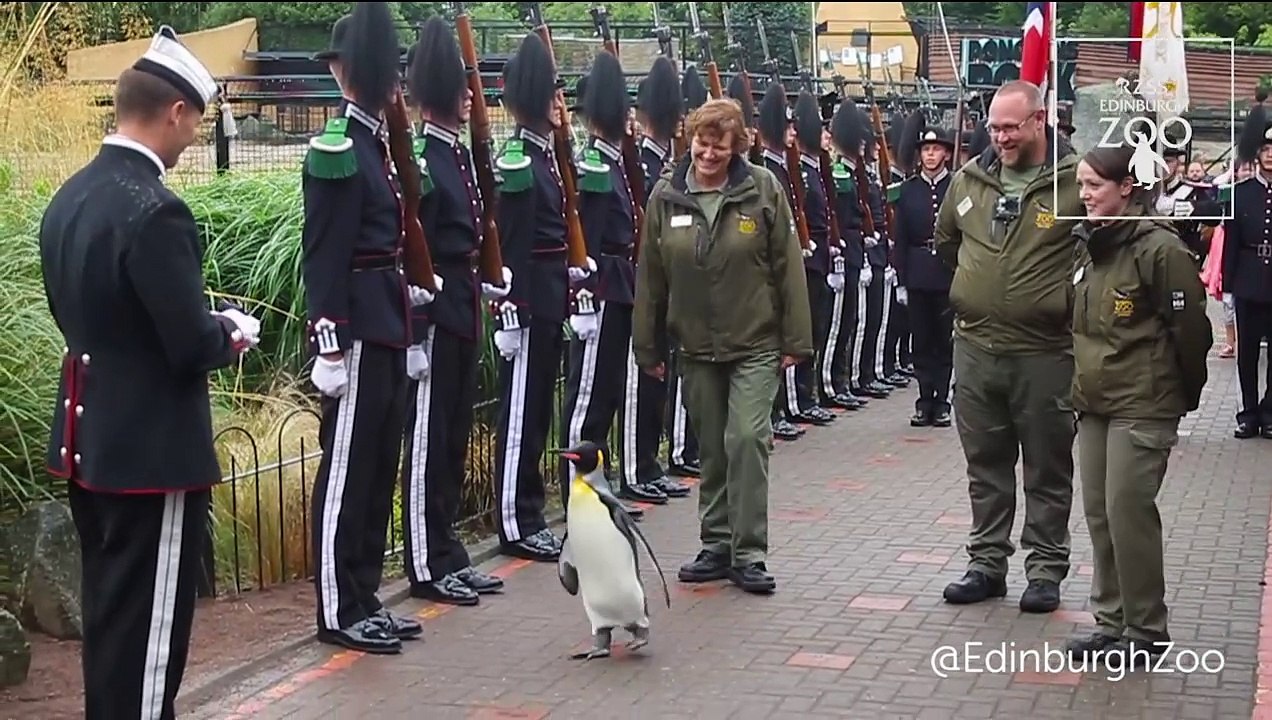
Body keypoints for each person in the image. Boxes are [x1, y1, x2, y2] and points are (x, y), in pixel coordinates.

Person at [39, 26, 260, 719]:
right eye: (196, 121)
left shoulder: (70, 196)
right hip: (150, 454)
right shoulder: (156, 209)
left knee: (112, 618)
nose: (194, 136)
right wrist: (232, 331)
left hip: (89, 440)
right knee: (152, 635)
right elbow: (187, 342)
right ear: (174, 112)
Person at [634, 97, 814, 594]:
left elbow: (788, 265)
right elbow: (651, 275)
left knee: (747, 438)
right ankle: (715, 543)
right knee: (710, 446)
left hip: (754, 340)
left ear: (736, 148)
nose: (708, 155)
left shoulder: (762, 190)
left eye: (719, 146)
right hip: (695, 344)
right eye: (701, 143)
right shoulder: (667, 195)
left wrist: (796, 339)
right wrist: (646, 347)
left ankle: (749, 551)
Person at [302, 3, 427, 654]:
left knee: (379, 466)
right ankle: (336, 605)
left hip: (387, 318)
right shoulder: (336, 151)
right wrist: (328, 340)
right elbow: (323, 254)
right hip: (352, 327)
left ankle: (365, 593)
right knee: (347, 471)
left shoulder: (380, 146)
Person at [933, 80, 1085, 612]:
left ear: (1040, 121)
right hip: (975, 347)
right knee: (986, 464)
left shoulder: (1074, 184)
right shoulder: (968, 182)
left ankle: (1044, 569)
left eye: (1011, 127)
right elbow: (947, 242)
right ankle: (986, 563)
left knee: (1047, 465)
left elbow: (1102, 251)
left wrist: (1058, 298)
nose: (1000, 137)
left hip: (1044, 352)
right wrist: (979, 290)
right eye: (994, 127)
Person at [1064, 143, 1212, 664]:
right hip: (1096, 400)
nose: (1083, 195)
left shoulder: (1158, 249)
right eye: (1080, 185)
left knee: (1129, 513)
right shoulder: (1090, 245)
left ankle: (1145, 630)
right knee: (1100, 514)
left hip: (1143, 401)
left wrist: (1181, 395)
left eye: (1093, 186)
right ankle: (1111, 622)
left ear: (1127, 188)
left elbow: (1191, 330)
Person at [398, 17, 509, 607]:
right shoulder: (425, 155)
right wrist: (415, 334)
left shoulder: (457, 156)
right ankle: (426, 559)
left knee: (455, 434)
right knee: (430, 439)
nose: (472, 95)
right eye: (463, 86)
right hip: (436, 312)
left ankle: (447, 553)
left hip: (462, 302)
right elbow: (410, 250)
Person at [489, 31, 575, 561]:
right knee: (519, 418)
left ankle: (529, 511)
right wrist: (508, 314)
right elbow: (512, 247)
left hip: (550, 300)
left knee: (537, 410)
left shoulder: (547, 155)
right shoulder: (520, 160)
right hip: (528, 304)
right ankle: (515, 520)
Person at [558, 49, 647, 505]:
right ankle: (578, 492)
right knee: (586, 400)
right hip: (602, 289)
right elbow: (584, 241)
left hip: (621, 282)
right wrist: (583, 299)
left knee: (608, 392)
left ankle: (597, 485)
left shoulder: (614, 162)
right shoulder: (594, 165)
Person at [622, 56, 695, 498]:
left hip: (669, 282)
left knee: (662, 379)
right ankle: (637, 465)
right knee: (642, 380)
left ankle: (649, 462)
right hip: (640, 281)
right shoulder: (644, 164)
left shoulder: (669, 165)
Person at [754, 83, 833, 430]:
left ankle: (798, 400)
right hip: (775, 266)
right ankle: (779, 408)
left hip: (804, 260)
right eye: (786, 127)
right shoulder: (767, 170)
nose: (792, 133)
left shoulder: (789, 168)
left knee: (809, 330)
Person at [893, 110, 955, 428]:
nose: (930, 155)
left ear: (946, 153)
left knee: (943, 342)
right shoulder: (909, 190)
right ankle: (924, 400)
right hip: (917, 273)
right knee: (920, 341)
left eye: (936, 149)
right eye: (926, 150)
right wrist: (901, 279)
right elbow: (900, 237)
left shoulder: (956, 187)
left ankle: (942, 401)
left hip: (946, 273)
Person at [792, 90, 849, 417]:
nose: (828, 136)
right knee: (808, 330)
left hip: (821, 258)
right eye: (823, 130)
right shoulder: (801, 169)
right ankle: (803, 395)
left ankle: (810, 392)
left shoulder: (816, 168)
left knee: (821, 328)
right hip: (808, 261)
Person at [1224, 94, 1272, 439]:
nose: (1271, 155)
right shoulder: (1241, 193)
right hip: (1249, 279)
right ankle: (1248, 413)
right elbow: (1231, 242)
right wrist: (1228, 286)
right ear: (1258, 154)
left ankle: (1270, 412)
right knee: (1247, 354)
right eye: (1266, 149)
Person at [826, 98, 876, 410]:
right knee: (838, 324)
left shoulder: (858, 171)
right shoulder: (839, 172)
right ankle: (832, 384)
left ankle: (846, 379)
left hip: (859, 250)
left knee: (854, 319)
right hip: (845, 250)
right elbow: (843, 214)